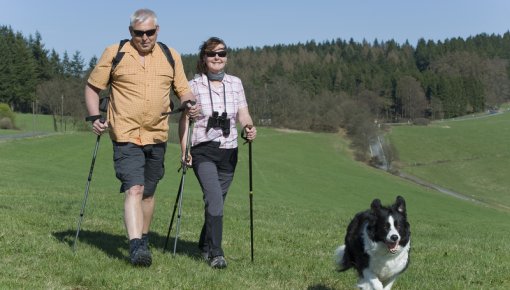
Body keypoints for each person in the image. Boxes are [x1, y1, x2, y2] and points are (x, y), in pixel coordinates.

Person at [84, 8, 198, 267]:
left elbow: (184, 90)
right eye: (139, 33)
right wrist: (94, 117)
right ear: (130, 32)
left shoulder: (171, 56)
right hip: (125, 133)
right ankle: (136, 247)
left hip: (157, 134)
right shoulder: (115, 53)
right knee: (133, 188)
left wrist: (190, 103)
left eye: (149, 32)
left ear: (157, 30)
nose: (145, 37)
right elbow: (92, 88)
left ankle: (143, 239)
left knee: (148, 192)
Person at [179, 37, 257, 269]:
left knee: (217, 202)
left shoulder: (235, 83)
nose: (217, 57)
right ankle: (216, 253)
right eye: (212, 53)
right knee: (214, 199)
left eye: (221, 53)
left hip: (229, 151)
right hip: (203, 150)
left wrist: (249, 128)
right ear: (204, 57)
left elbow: (243, 114)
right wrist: (184, 151)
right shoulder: (193, 85)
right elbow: (183, 121)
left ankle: (204, 244)